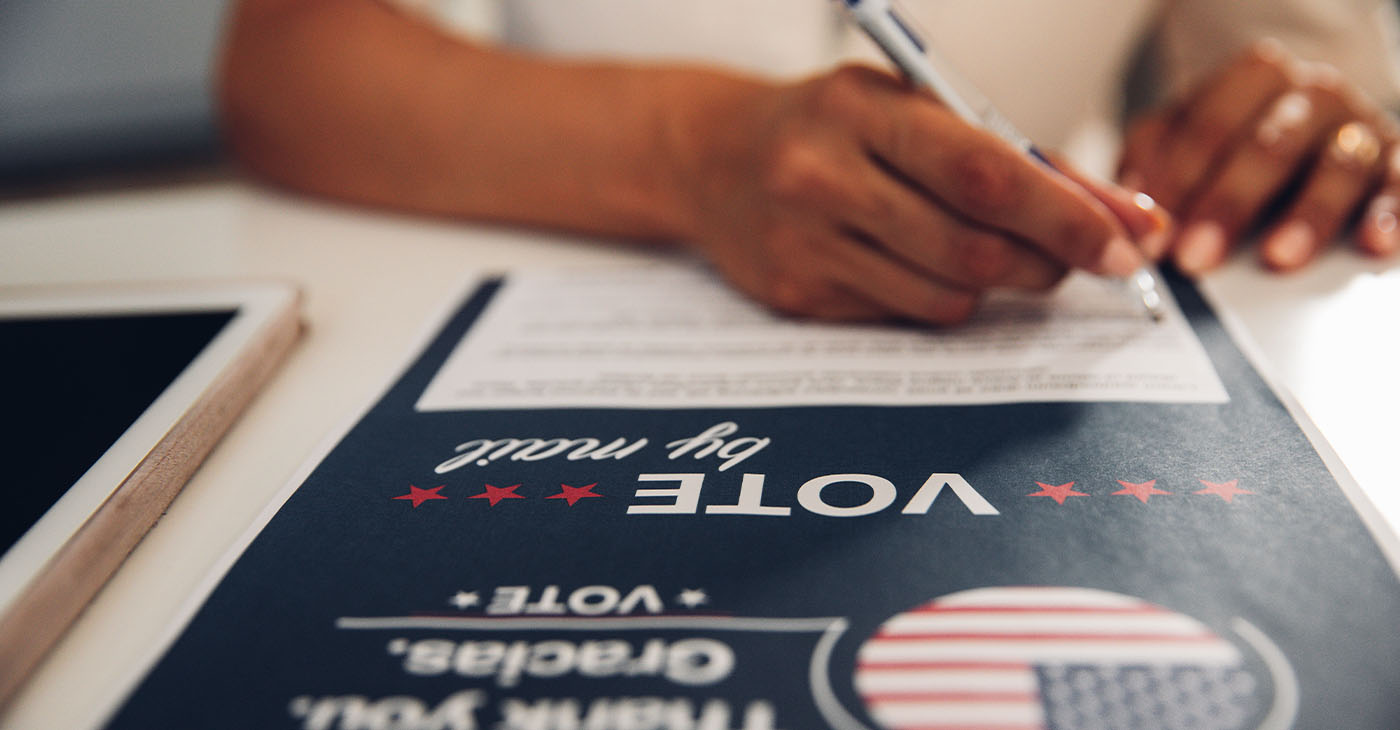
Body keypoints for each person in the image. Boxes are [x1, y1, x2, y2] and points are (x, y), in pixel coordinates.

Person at [219, 0, 1400, 325]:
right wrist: (693, 147)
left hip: (1045, 328)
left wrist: (1288, 109)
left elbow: (1306, 52)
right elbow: (288, 58)